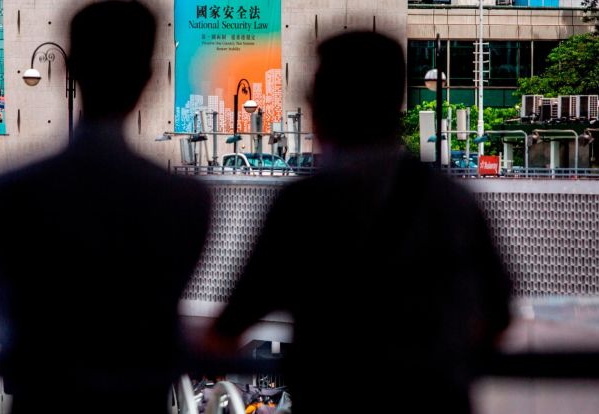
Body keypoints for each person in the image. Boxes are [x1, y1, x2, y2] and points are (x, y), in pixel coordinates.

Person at [208, 31, 511, 413]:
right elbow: (497, 317)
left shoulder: (305, 204)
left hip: (337, 398)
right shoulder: (452, 199)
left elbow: (230, 326)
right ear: (395, 102)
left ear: (323, 107)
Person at [0, 0, 211, 413]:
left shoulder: (5, 193)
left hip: (45, 400)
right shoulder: (186, 200)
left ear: (70, 69)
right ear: (147, 79)